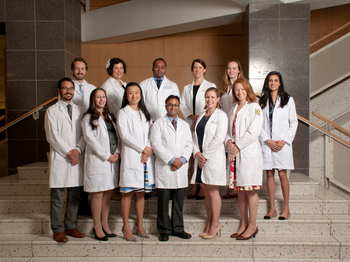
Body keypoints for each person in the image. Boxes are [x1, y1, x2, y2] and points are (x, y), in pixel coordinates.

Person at [44, 77, 86, 243]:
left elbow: (84, 134)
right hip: (61, 158)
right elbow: (52, 136)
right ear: (59, 90)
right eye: (65, 88)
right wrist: (70, 153)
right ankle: (57, 229)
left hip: (76, 157)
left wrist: (78, 150)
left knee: (75, 196)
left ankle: (70, 225)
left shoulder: (81, 110)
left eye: (70, 88)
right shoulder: (52, 111)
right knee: (57, 197)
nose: (68, 91)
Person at [151, 95, 193, 242]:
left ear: (179, 106)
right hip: (166, 167)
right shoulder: (158, 124)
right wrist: (171, 160)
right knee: (163, 203)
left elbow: (189, 144)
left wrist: (181, 160)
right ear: (165, 106)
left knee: (178, 202)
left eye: (175, 105)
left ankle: (178, 229)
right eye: (170, 105)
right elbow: (156, 145)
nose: (173, 107)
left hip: (180, 168)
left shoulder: (184, 125)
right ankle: (164, 230)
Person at [225, 78, 263, 240]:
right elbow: (228, 132)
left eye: (242, 89)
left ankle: (253, 226)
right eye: (236, 90)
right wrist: (229, 143)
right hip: (235, 155)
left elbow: (253, 133)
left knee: (250, 190)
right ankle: (243, 223)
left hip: (248, 155)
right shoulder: (233, 109)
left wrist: (236, 146)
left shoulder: (254, 108)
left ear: (248, 89)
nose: (239, 92)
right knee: (240, 191)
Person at [117, 82, 155, 242]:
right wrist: (143, 149)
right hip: (132, 157)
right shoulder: (123, 113)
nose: (134, 96)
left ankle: (139, 225)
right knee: (128, 193)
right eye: (130, 93)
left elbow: (152, 134)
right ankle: (126, 226)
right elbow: (124, 136)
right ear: (126, 96)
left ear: (141, 95)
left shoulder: (146, 113)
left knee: (141, 193)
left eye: (137, 93)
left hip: (145, 158)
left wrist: (148, 150)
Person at [81, 88, 120, 241]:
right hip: (99, 161)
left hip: (112, 161)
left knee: (108, 193)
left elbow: (116, 136)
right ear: (93, 99)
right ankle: (97, 226)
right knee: (98, 193)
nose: (101, 99)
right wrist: (107, 155)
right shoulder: (88, 118)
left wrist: (117, 152)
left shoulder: (110, 116)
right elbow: (91, 141)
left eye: (103, 96)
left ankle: (105, 224)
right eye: (98, 97)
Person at [259, 71, 298, 220]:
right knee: (269, 174)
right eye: (270, 80)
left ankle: (286, 208)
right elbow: (259, 124)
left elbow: (294, 122)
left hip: (282, 144)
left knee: (282, 174)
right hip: (268, 143)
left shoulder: (288, 100)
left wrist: (284, 141)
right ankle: (272, 209)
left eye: (276, 80)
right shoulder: (262, 101)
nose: (273, 83)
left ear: (280, 83)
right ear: (267, 83)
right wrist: (267, 140)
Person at [192, 87, 228, 240]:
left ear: (218, 99)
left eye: (213, 97)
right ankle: (209, 223)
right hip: (201, 159)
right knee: (205, 190)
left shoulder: (221, 116)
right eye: (207, 97)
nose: (209, 100)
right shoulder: (201, 115)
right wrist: (197, 153)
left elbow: (219, 139)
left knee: (213, 191)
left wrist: (204, 156)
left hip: (212, 159)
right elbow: (194, 138)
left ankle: (215, 224)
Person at [180, 58, 217, 200]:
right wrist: (193, 118)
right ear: (192, 70)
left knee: (201, 153)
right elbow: (182, 105)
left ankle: (201, 186)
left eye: (200, 67)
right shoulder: (186, 88)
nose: (197, 70)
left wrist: (200, 119)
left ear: (204, 69)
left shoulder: (210, 85)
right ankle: (194, 185)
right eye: (195, 67)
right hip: (190, 123)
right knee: (191, 154)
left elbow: (211, 103)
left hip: (204, 123)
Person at [71, 57, 96, 216]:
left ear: (86, 70)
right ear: (72, 70)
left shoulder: (92, 88)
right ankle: (76, 206)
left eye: (82, 69)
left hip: (89, 131)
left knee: (87, 170)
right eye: (77, 69)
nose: (80, 71)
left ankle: (85, 204)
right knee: (75, 174)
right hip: (73, 132)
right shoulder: (68, 87)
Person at [219, 60, 244, 200]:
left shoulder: (242, 86)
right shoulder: (224, 88)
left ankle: (238, 188)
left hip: (238, 126)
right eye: (229, 68)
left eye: (234, 68)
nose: (231, 71)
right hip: (226, 127)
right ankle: (233, 187)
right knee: (230, 157)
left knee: (238, 156)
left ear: (239, 70)